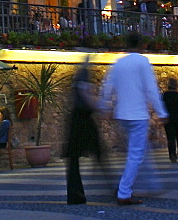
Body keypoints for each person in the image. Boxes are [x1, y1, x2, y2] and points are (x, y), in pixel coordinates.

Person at [100, 33, 168, 205]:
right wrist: (162, 113)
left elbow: (107, 86)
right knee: (135, 155)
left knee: (139, 152)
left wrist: (105, 106)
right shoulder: (142, 62)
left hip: (122, 115)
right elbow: (151, 89)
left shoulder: (119, 63)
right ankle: (124, 192)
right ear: (140, 45)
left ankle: (151, 184)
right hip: (138, 115)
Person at [64, 56, 110, 205]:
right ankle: (111, 186)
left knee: (75, 158)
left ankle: (75, 194)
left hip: (79, 118)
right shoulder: (83, 73)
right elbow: (85, 94)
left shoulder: (80, 73)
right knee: (98, 153)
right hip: (83, 119)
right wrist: (100, 107)